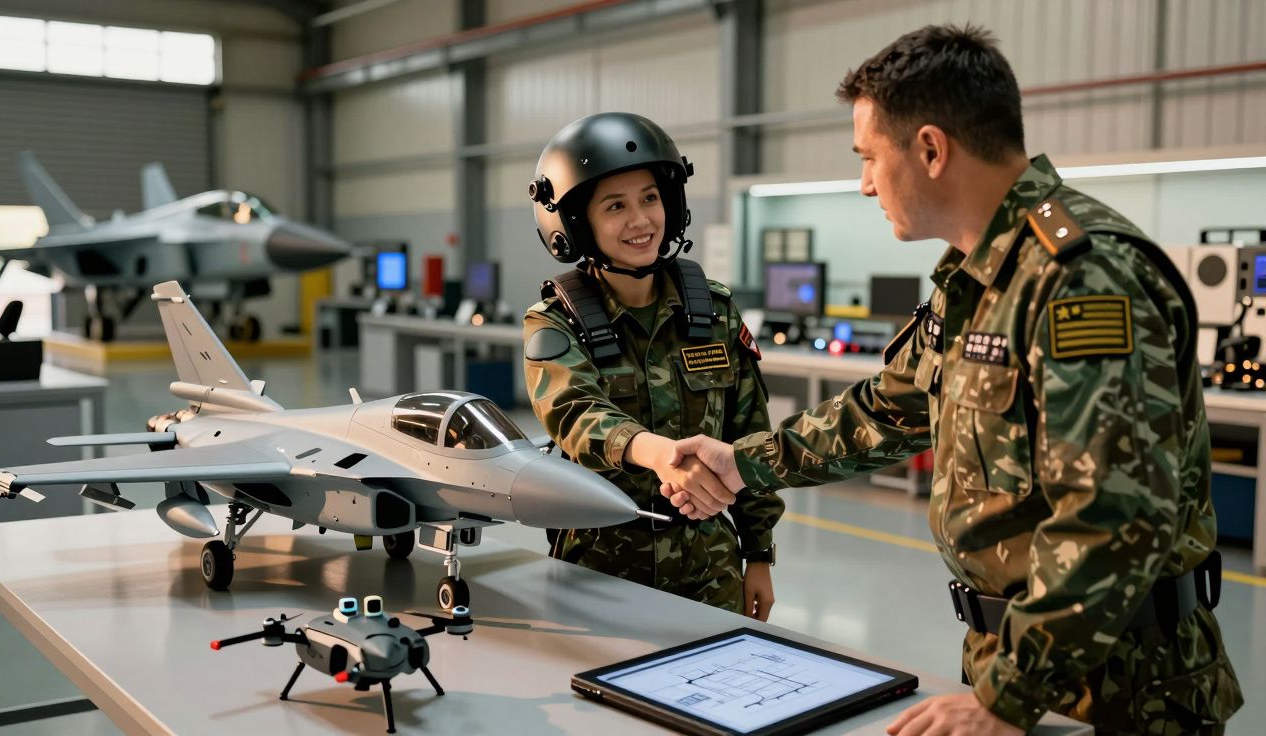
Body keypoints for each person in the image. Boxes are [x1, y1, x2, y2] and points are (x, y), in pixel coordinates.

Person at [660, 24, 1243, 735]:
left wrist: (1009, 697)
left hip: (1122, 691)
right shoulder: (976, 279)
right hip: (1023, 663)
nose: (865, 182)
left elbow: (1113, 515)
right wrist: (743, 463)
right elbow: (883, 410)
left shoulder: (1079, 278)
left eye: (870, 158)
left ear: (931, 149)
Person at [522, 112, 784, 619]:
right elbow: (576, 416)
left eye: (649, 198)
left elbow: (749, 435)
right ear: (576, 224)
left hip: (711, 571)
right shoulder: (555, 323)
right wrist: (656, 452)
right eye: (615, 206)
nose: (641, 220)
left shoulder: (712, 310)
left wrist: (759, 554)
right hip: (599, 575)